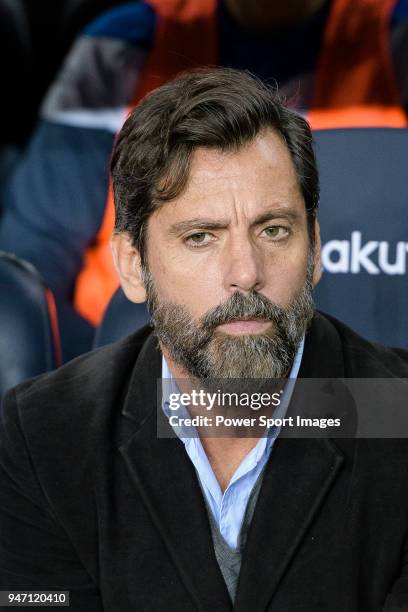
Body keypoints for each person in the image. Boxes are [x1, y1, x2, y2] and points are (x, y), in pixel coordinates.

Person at [1, 68, 408, 611]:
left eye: (274, 230)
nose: (245, 271)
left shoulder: (399, 415)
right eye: (201, 237)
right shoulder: (42, 436)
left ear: (314, 250)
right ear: (132, 265)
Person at [1, 0, 407, 360]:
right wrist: (106, 390)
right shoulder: (126, 40)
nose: (245, 271)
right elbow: (35, 254)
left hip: (346, 374)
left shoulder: (396, 36)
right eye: (199, 236)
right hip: (136, 363)